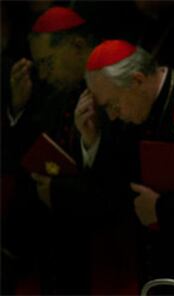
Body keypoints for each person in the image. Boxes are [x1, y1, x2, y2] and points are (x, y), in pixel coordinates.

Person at [79, 39, 174, 293]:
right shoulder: (128, 109)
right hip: (149, 256)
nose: (112, 115)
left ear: (136, 81)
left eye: (113, 104)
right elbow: (113, 188)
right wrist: (92, 141)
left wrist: (161, 209)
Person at [1, 6, 100, 295]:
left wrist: (59, 189)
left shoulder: (110, 90)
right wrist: (18, 106)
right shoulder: (58, 93)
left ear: (78, 45)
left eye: (47, 63)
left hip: (99, 241)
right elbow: (31, 152)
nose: (43, 75)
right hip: (55, 231)